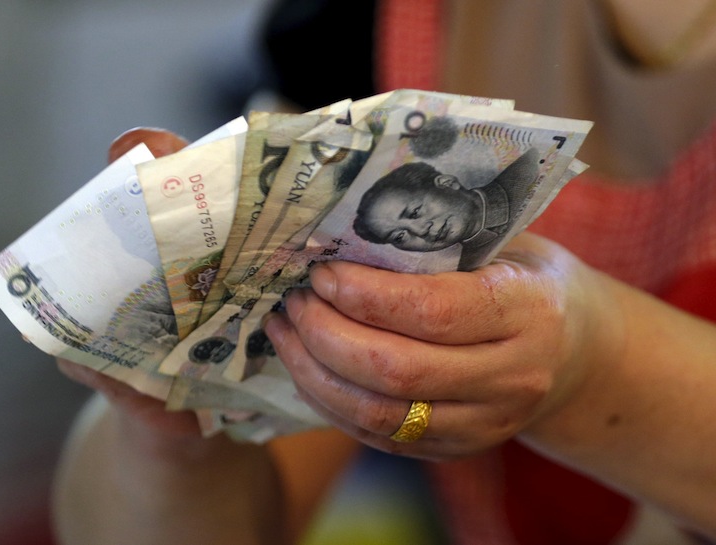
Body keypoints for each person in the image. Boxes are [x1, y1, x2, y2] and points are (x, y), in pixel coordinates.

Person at [52, 1, 716, 544]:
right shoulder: (368, 24)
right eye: (400, 228)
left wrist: (595, 363)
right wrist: (174, 421)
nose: (415, 236)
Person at [352, 149, 539, 270]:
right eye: (399, 236)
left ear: (447, 183)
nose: (420, 231)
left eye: (415, 212)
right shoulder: (465, 269)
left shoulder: (528, 170)